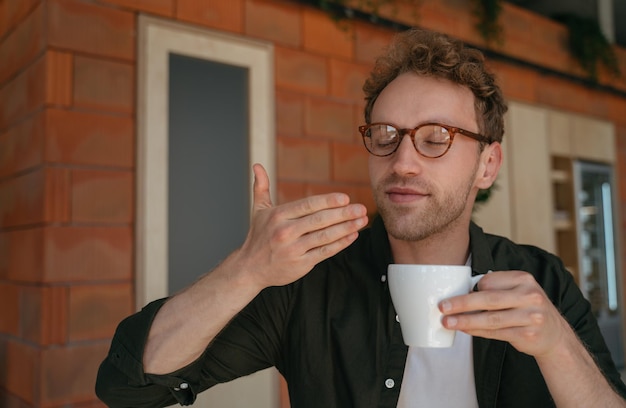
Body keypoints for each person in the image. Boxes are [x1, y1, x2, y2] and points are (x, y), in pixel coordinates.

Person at [96, 28, 626, 407]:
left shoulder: (543, 284)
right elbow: (128, 385)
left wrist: (557, 346)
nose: (402, 161)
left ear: (488, 163)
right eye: (385, 135)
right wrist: (246, 270)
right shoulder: (311, 283)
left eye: (436, 138)